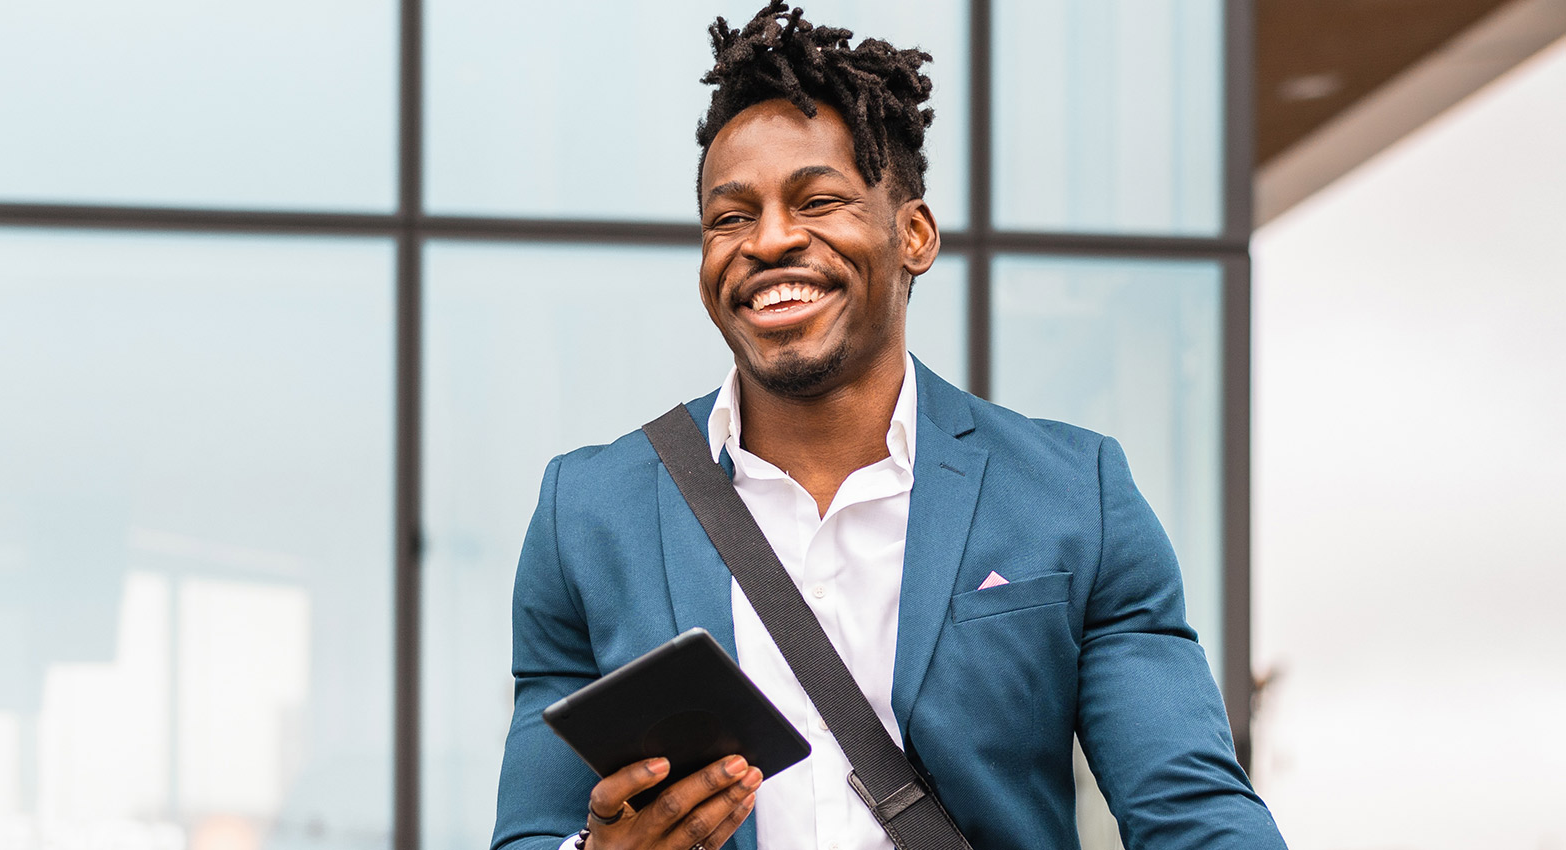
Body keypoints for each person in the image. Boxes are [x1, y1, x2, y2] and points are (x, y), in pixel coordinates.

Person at [490, 4, 1287, 849]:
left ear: (912, 234)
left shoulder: (1069, 494)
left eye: (817, 200)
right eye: (730, 217)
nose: (768, 241)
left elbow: (1193, 815)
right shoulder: (586, 513)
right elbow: (533, 832)